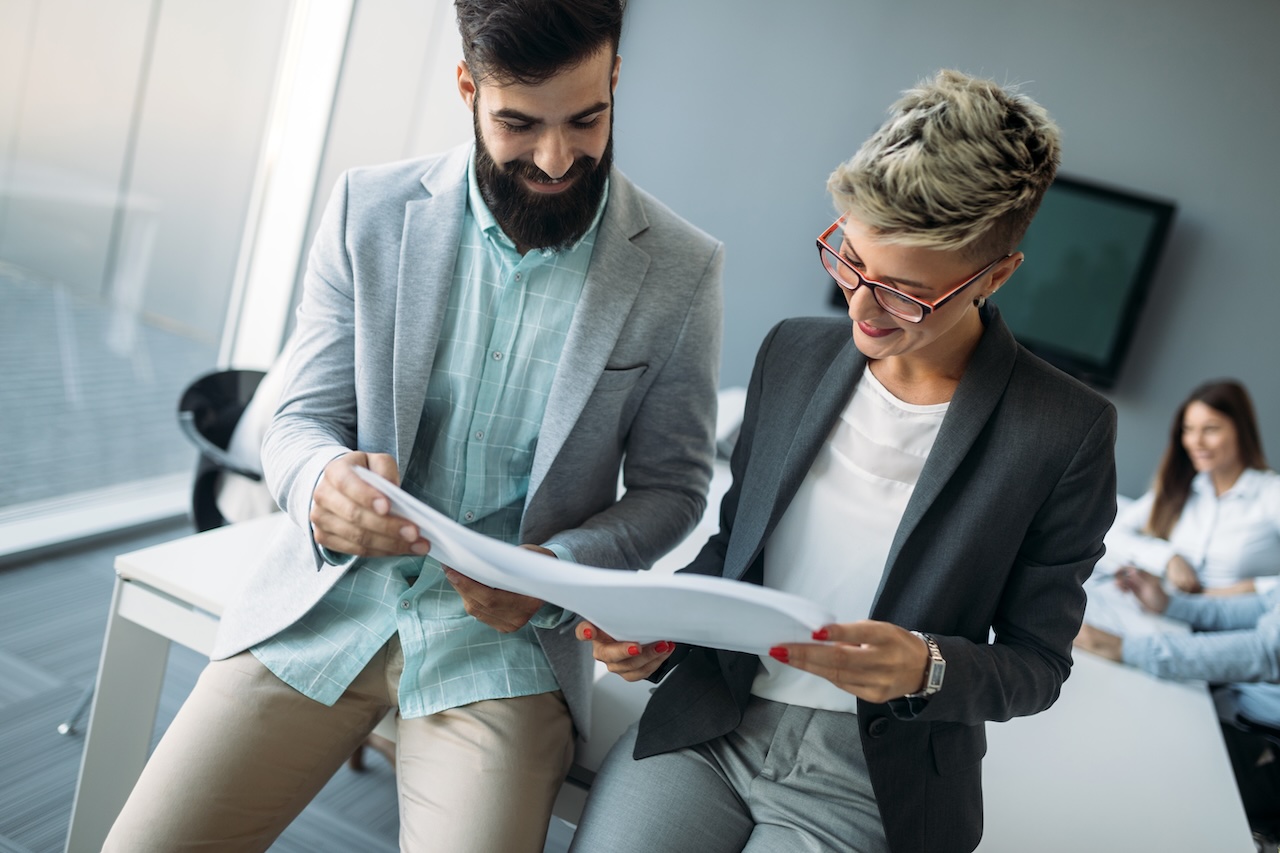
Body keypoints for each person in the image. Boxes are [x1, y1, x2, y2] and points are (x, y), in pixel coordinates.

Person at [105, 0, 724, 850]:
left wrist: (558, 569)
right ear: (467, 88)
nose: (554, 158)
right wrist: (321, 484)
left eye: (586, 119)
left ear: (615, 79)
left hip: (505, 654)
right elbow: (298, 417)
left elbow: (673, 488)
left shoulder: (683, 269)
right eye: (517, 123)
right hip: (325, 605)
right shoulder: (369, 207)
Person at [570, 70, 1117, 853]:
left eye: (904, 294)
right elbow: (734, 554)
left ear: (995, 277)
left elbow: (1037, 665)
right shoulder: (792, 351)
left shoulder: (1066, 429)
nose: (859, 307)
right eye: (849, 258)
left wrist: (924, 666)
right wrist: (666, 631)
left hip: (872, 772)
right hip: (713, 723)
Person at [1075, 567, 1280, 841]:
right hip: (1237, 700)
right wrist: (1170, 604)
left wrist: (1121, 647)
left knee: (1147, 757)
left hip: (1267, 740)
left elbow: (1266, 652)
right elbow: (1253, 609)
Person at [1103, 379, 1280, 595]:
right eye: (1188, 430)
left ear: (1241, 431)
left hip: (1237, 622)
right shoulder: (1183, 486)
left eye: (1211, 429)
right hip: (1168, 614)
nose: (1195, 441)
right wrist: (1168, 559)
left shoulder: (1271, 493)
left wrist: (1251, 588)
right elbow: (1113, 534)